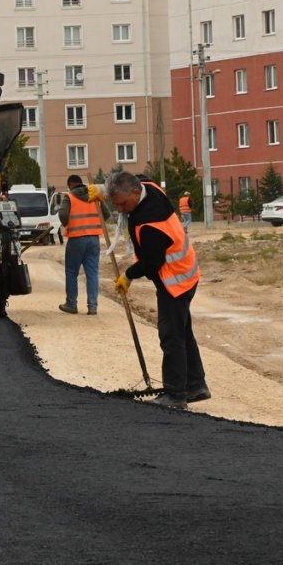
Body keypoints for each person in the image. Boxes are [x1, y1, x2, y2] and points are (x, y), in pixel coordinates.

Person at [106, 171, 210, 409]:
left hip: (175, 280)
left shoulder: (151, 223)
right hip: (186, 272)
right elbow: (137, 176)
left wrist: (128, 275)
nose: (120, 210)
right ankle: (196, 386)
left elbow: (152, 263)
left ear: (136, 192)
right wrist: (101, 192)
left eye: (122, 204)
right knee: (182, 333)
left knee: (171, 336)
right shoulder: (149, 187)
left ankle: (175, 395)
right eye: (115, 205)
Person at [58, 174, 103, 315]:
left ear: (70, 185)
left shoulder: (70, 197)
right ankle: (92, 306)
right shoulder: (94, 196)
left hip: (76, 239)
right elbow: (106, 214)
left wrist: (67, 223)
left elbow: (63, 215)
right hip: (94, 239)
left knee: (72, 272)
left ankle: (71, 304)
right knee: (92, 273)